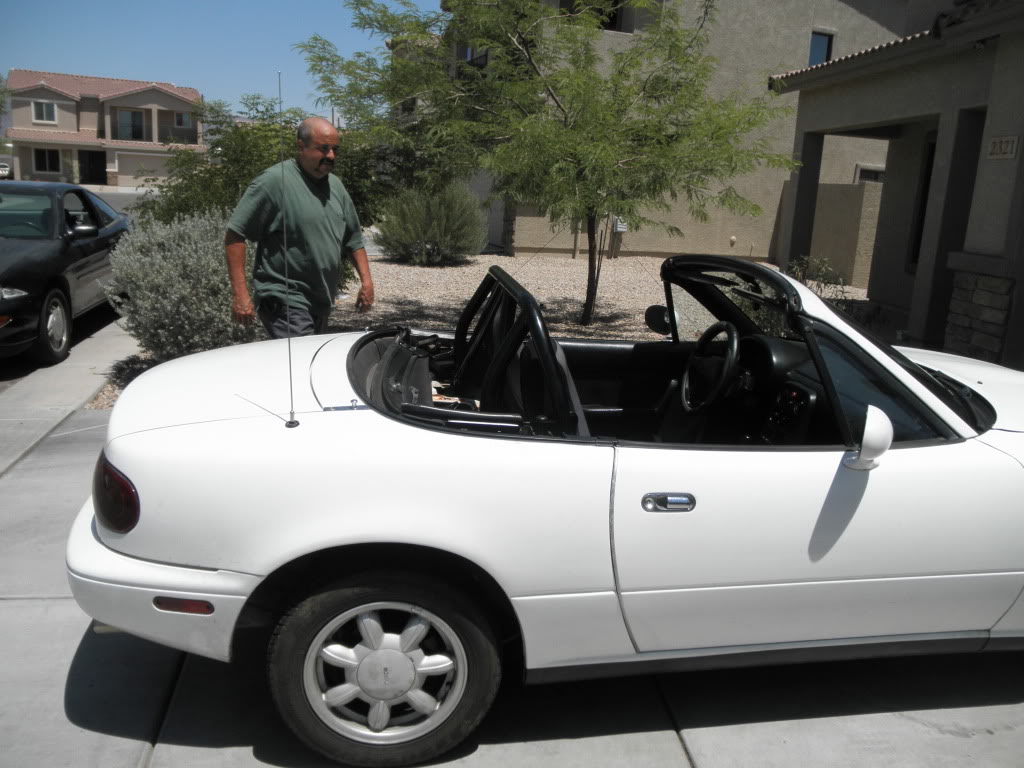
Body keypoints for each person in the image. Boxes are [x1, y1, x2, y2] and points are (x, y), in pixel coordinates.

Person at [225, 116, 374, 338]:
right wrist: (240, 294)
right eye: (323, 148)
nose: (331, 156)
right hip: (285, 299)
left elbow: (353, 240)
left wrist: (367, 282)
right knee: (301, 357)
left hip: (321, 301)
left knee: (307, 357)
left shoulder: (336, 186)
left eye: (335, 150)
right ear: (301, 146)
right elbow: (235, 235)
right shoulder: (274, 181)